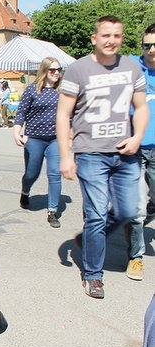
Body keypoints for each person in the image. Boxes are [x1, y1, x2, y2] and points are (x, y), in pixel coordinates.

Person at [56, 15, 148, 299]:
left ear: (122, 38)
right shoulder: (78, 70)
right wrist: (65, 156)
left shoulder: (132, 68)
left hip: (125, 153)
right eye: (106, 35)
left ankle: (86, 240)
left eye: (117, 36)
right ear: (94, 38)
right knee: (96, 214)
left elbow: (141, 107)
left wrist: (137, 137)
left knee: (128, 211)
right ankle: (93, 275)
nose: (111, 41)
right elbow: (64, 114)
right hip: (91, 153)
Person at [12, 57, 64, 229]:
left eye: (59, 69)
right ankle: (25, 191)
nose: (56, 73)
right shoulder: (32, 90)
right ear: (44, 71)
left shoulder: (62, 91)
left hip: (55, 139)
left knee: (55, 173)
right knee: (31, 174)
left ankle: (52, 211)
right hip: (34, 138)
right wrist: (17, 132)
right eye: (52, 70)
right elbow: (21, 113)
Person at [124, 23, 155, 282]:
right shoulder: (130, 67)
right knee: (136, 209)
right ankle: (135, 257)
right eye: (148, 45)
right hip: (132, 149)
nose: (152, 50)